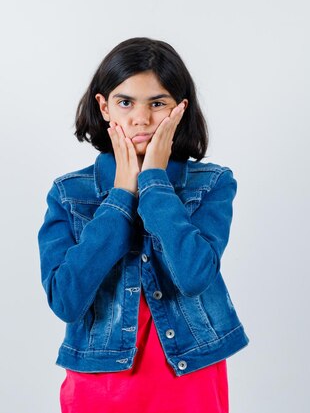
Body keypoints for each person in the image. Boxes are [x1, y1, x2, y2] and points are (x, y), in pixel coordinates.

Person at [37, 37, 249, 413]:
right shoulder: (68, 193)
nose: (141, 118)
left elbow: (194, 274)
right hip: (100, 386)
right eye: (125, 102)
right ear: (103, 107)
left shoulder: (212, 184)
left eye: (157, 103)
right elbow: (66, 300)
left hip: (190, 379)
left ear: (179, 110)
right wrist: (121, 194)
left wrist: (153, 181)